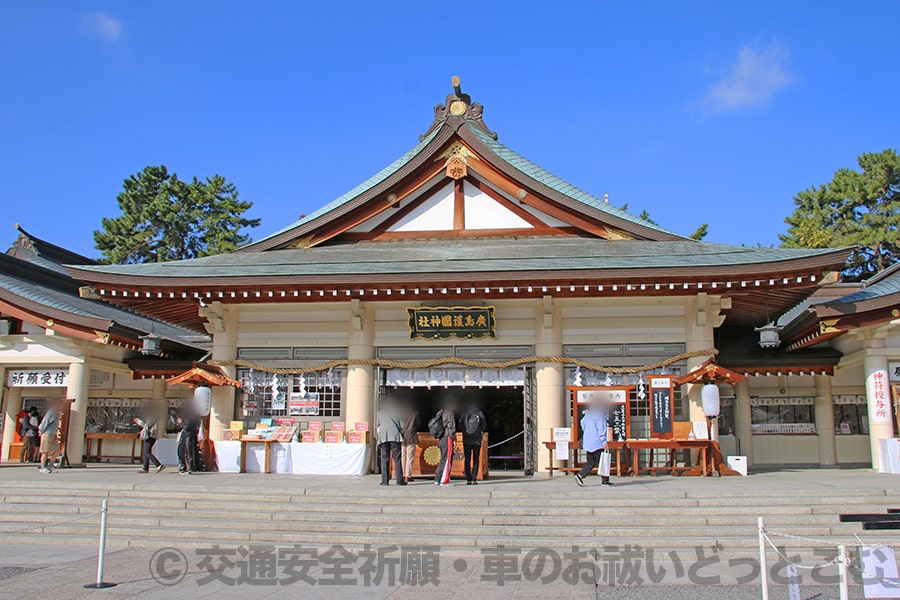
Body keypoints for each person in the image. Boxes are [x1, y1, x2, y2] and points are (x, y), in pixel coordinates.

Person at [575, 395, 613, 487]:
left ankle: (581, 475)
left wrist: (587, 431)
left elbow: (582, 423)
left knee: (591, 461)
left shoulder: (588, 414)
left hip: (588, 442)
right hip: (597, 442)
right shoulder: (599, 414)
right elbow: (601, 429)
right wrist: (604, 442)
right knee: (603, 461)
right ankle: (604, 480)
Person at [376, 397, 406, 486]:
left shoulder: (380, 413)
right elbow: (402, 425)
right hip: (395, 437)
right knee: (397, 459)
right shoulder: (398, 412)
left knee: (384, 459)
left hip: (384, 437)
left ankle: (385, 480)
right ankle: (399, 480)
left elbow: (378, 426)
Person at [459, 399, 486, 485]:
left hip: (466, 439)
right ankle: (474, 478)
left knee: (467, 459)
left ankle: (468, 479)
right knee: (476, 459)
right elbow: (484, 426)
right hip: (477, 440)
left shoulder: (465, 413)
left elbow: (460, 424)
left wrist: (465, 431)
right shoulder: (479, 413)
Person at [433, 397, 457, 486]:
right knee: (447, 458)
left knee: (444, 457)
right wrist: (454, 438)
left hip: (442, 437)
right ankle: (442, 479)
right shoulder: (449, 414)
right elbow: (451, 428)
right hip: (448, 437)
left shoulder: (441, 413)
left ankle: (439, 477)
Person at [38, 399, 61, 474]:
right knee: (45, 451)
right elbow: (45, 422)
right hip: (47, 433)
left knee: (57, 449)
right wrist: (40, 431)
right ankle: (43, 467)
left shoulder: (57, 413)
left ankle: (50, 465)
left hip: (53, 434)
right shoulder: (51, 412)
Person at [400, 398, 420, 484]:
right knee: (410, 457)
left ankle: (402, 474)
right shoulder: (414, 413)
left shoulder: (401, 413)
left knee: (403, 456)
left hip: (402, 436)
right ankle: (408, 475)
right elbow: (418, 424)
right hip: (411, 436)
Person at [177, 407, 200, 475]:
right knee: (188, 451)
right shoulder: (195, 417)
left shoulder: (189, 417)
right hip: (190, 435)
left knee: (184, 451)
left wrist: (181, 423)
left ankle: (187, 467)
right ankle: (188, 467)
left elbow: (186, 427)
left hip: (187, 435)